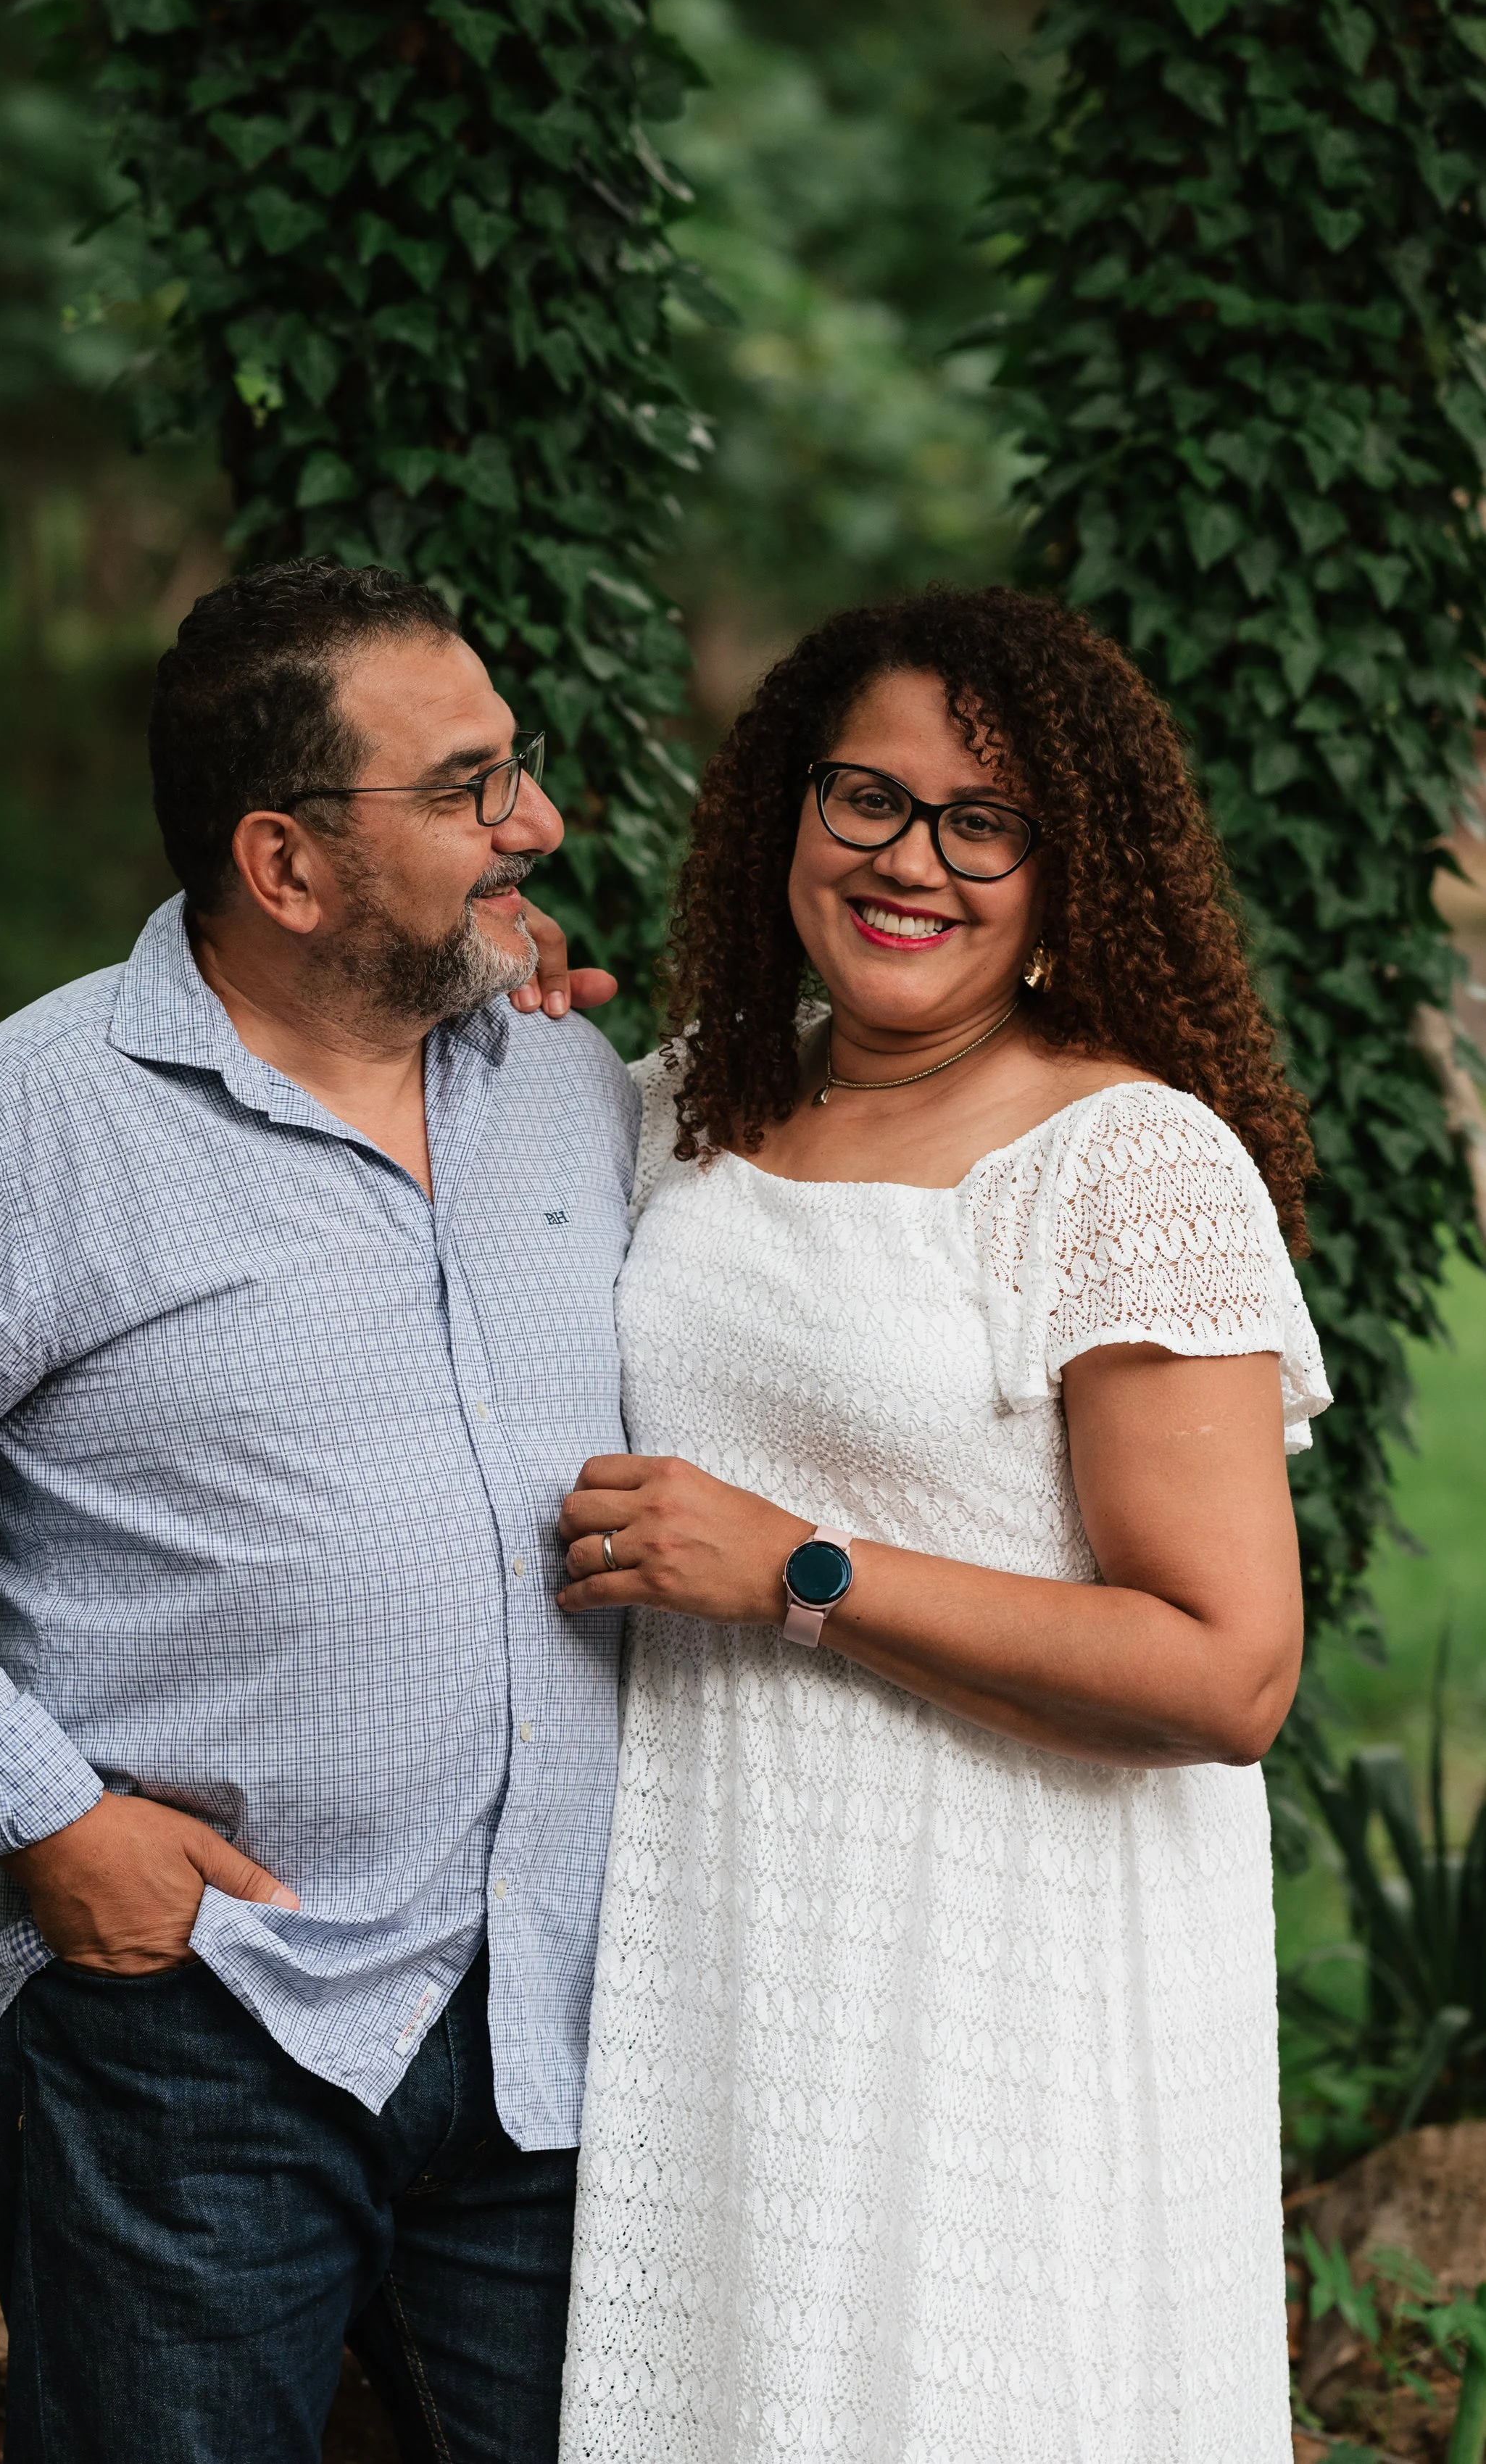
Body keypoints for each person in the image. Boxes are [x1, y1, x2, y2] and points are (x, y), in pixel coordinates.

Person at [0, 557, 635, 2464]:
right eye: (466, 789)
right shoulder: (27, 1123)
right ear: (282, 865)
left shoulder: (565, 1079)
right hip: (196, 2029)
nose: (530, 821)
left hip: (549, 2026)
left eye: (512, 768)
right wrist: (45, 1818)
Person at [550, 587, 1328, 2463]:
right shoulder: (694, 1097)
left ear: (1073, 868)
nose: (917, 863)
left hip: (1003, 1976)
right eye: (868, 801)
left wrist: (800, 1571)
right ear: (785, 812)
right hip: (724, 1939)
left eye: (986, 824)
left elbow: (1228, 1670)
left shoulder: (1124, 1162)